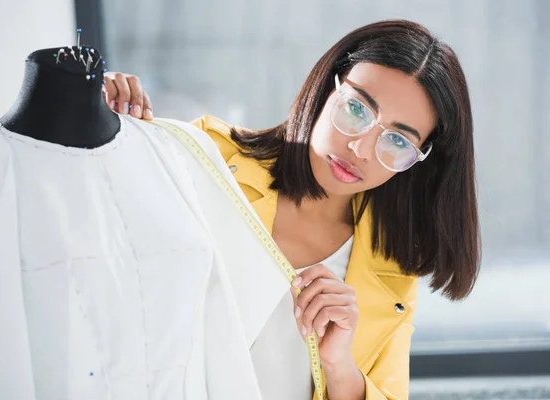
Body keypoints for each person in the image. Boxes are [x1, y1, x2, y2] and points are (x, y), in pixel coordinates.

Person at [103, 19, 480, 400]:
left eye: (397, 140)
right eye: (357, 109)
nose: (361, 149)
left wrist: (339, 366)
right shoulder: (207, 159)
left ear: (420, 160)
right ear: (326, 87)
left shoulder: (393, 271)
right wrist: (97, 118)